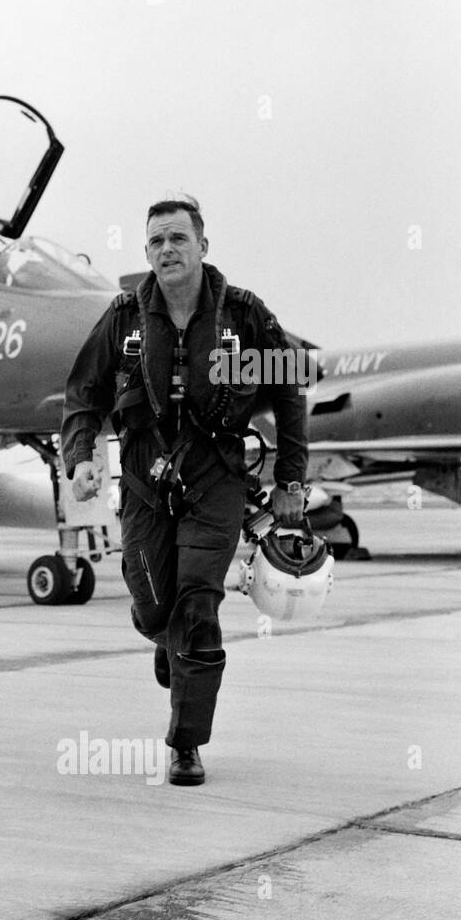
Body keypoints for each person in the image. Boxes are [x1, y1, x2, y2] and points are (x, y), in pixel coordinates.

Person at [60, 196, 308, 786]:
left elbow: (292, 389)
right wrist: (78, 460)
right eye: (156, 242)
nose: (167, 250)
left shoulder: (243, 318)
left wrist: (291, 478)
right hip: (145, 486)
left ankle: (186, 744)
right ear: (146, 252)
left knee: (198, 605)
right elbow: (82, 396)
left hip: (215, 481)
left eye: (177, 238)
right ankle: (166, 642)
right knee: (154, 609)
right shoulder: (123, 320)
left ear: (202, 245)